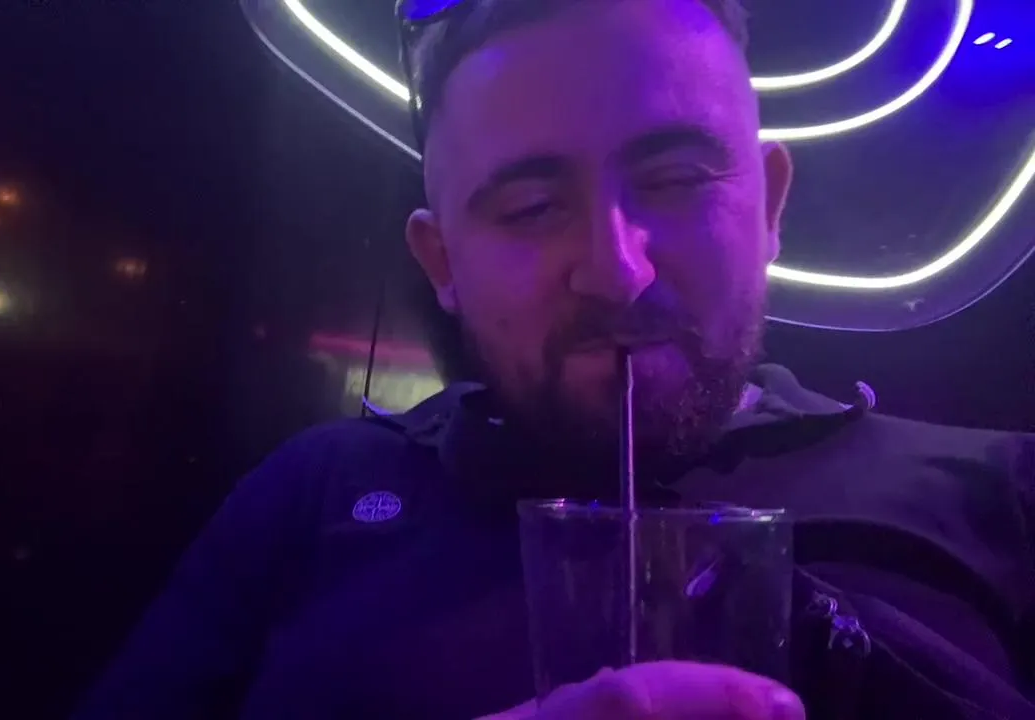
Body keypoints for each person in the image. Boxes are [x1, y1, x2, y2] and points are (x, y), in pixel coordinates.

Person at [73, 0, 1035, 717]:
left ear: (771, 206)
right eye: (531, 208)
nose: (616, 271)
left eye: (677, 178)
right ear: (441, 262)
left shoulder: (998, 491)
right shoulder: (315, 496)